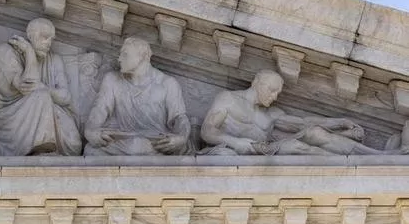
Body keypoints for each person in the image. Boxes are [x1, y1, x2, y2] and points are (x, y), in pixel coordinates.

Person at [201, 70, 389, 155]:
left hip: (268, 149)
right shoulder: (228, 98)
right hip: (241, 148)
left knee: (314, 133)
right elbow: (208, 131)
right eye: (271, 89)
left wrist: (340, 121)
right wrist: (236, 143)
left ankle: (375, 156)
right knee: (298, 148)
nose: (274, 96)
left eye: (277, 93)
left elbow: (304, 122)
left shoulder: (270, 114)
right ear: (256, 82)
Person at [0, 17, 82, 156]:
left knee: (74, 144)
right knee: (41, 96)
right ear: (30, 35)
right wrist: (29, 53)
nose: (49, 44)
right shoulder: (6, 51)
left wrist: (44, 88)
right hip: (10, 117)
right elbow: (27, 86)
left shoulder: (54, 60)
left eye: (51, 39)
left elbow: (66, 97)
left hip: (46, 109)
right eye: (45, 37)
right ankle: (42, 148)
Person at [84, 37, 190, 156]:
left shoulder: (167, 83)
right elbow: (99, 109)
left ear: (143, 56)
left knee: (180, 152)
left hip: (156, 144)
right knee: (91, 151)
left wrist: (182, 138)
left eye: (125, 54)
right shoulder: (112, 80)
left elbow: (180, 118)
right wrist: (90, 131)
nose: (119, 59)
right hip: (121, 143)